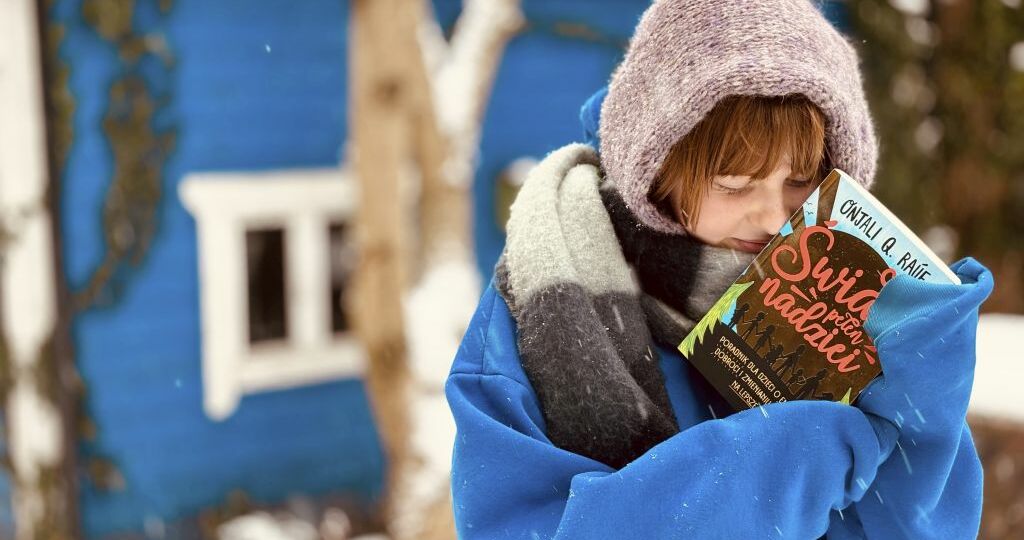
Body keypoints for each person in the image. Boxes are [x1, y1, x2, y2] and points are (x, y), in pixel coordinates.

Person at [445, 0, 994, 538]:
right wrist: (773, 467)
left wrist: (923, 399)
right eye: (734, 184)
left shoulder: (858, 307)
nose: (773, 213)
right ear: (660, 169)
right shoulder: (541, 299)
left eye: (800, 181)